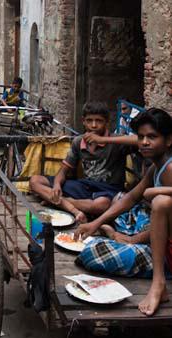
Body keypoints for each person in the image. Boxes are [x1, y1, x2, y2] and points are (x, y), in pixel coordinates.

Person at [74, 108, 172, 316]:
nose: (144, 142)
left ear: (168, 140)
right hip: (159, 241)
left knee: (93, 252)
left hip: (167, 256)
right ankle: (120, 235)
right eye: (141, 137)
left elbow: (164, 221)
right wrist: (95, 223)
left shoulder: (170, 169)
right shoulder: (157, 167)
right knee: (121, 201)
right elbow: (131, 198)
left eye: (152, 137)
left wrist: (133, 240)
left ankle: (158, 282)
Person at [29, 102, 137, 223]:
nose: (94, 125)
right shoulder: (78, 141)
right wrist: (56, 185)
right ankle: (66, 204)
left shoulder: (116, 142)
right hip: (85, 186)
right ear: (83, 121)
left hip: (107, 190)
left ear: (107, 122)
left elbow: (139, 140)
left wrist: (103, 139)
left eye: (99, 121)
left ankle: (57, 202)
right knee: (35, 181)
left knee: (101, 205)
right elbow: (63, 170)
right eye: (89, 120)